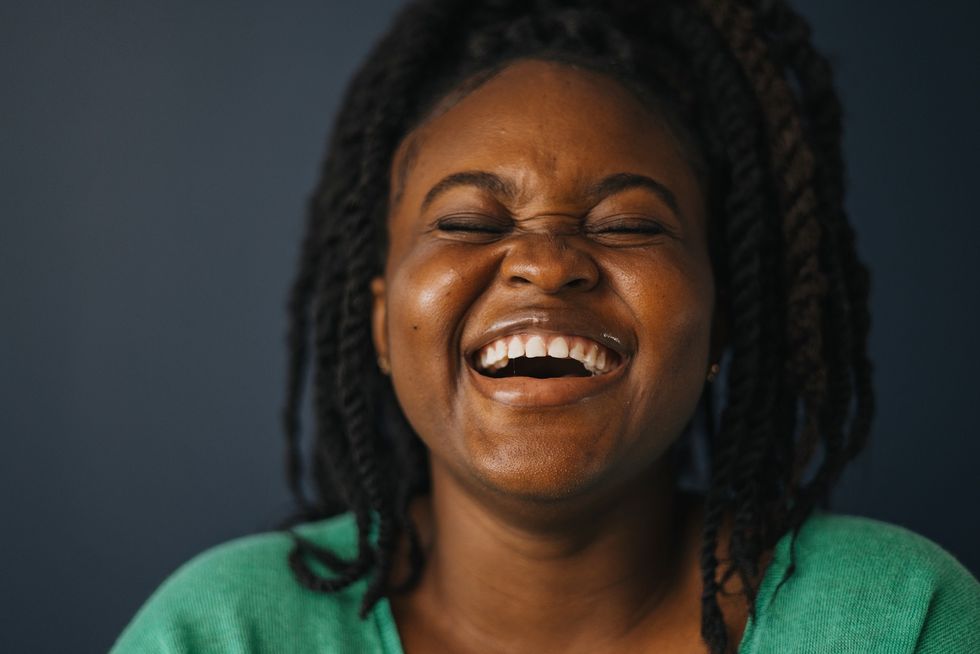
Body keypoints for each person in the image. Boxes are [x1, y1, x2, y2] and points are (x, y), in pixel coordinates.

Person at [111, 1, 980, 652]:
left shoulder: (898, 619)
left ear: (720, 324)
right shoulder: (223, 631)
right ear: (378, 326)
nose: (546, 260)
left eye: (629, 224)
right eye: (467, 222)